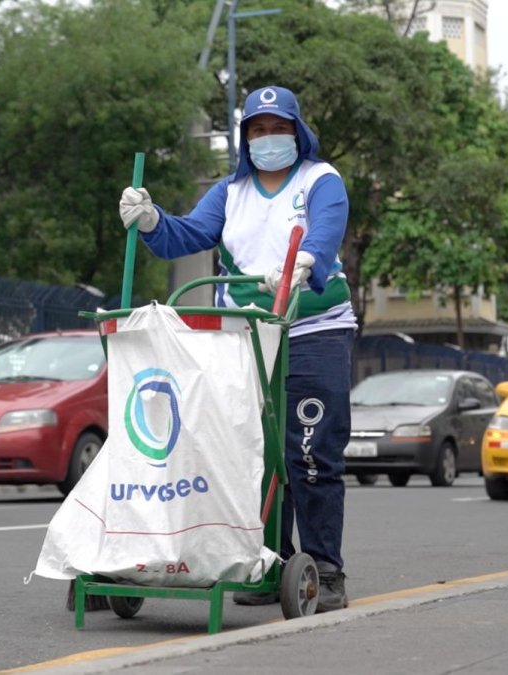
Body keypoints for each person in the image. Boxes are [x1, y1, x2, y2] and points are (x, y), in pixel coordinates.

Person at [117, 85, 356, 612]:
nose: (268, 138)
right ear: (244, 138)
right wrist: (152, 220)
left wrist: (304, 265)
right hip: (246, 337)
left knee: (310, 455)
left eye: (278, 128)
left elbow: (326, 230)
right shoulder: (230, 192)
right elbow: (189, 235)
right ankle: (272, 561)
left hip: (313, 332)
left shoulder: (320, 180)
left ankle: (326, 569)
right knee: (255, 455)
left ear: (297, 131)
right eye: (257, 129)